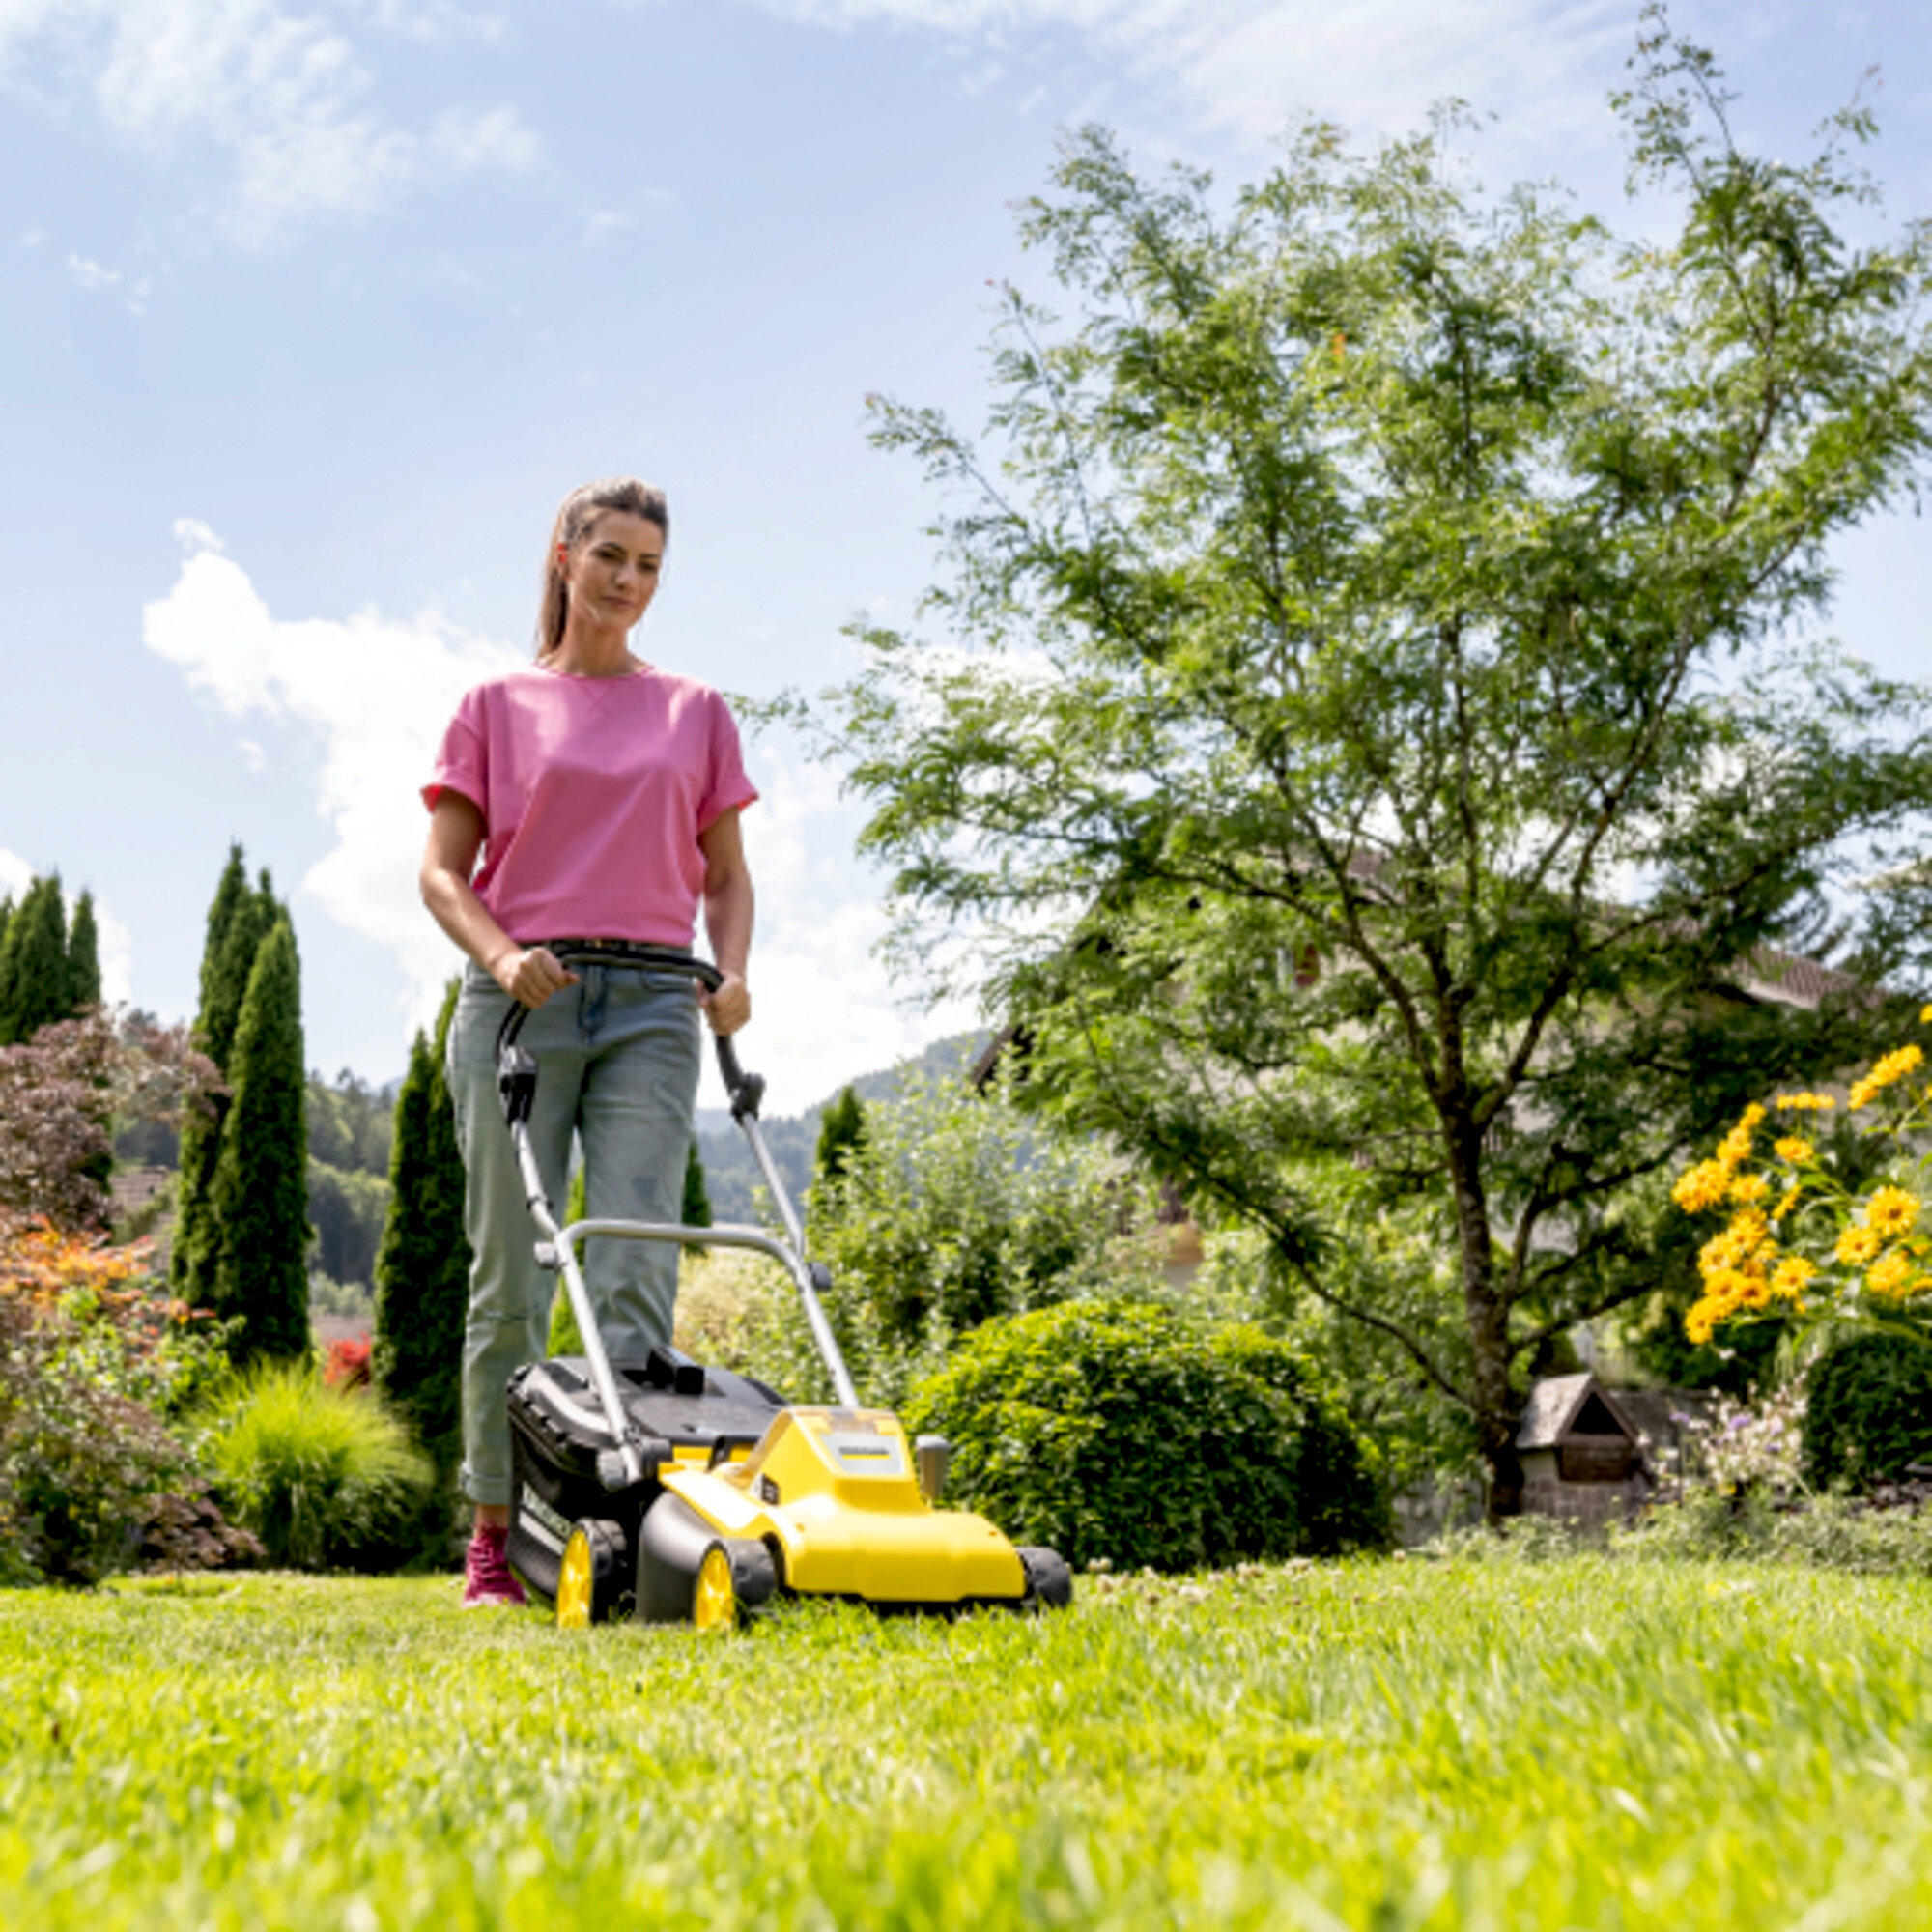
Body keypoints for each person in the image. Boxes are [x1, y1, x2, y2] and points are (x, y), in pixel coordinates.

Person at [419, 476, 757, 1607]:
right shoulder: (494, 703)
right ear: (561, 555)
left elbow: (725, 875)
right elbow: (440, 873)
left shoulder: (695, 708)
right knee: (509, 1277)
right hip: (526, 1000)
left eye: (649, 565)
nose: (627, 581)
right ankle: (492, 1530)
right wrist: (501, 954)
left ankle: (621, 1532)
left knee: (630, 1271)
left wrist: (736, 970)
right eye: (609, 554)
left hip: (658, 1003)